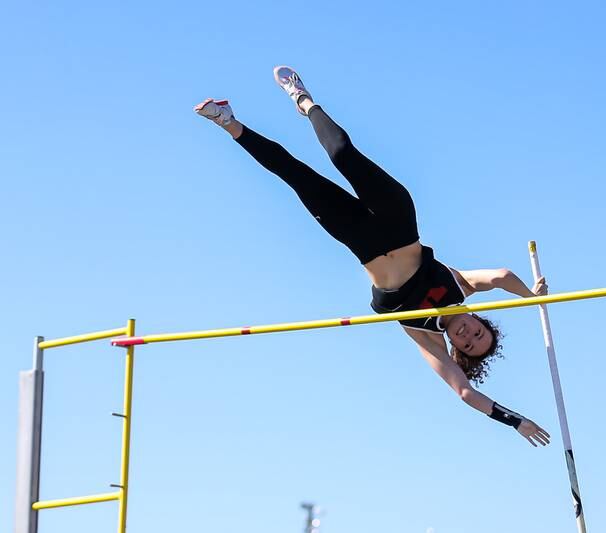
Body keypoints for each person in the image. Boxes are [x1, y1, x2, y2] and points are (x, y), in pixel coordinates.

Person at [195, 66, 550, 447]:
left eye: (467, 344)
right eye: (477, 331)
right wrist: (533, 298)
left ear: (458, 351)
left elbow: (464, 393)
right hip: (398, 219)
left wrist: (514, 421)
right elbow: (500, 275)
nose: (467, 335)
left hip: (359, 239)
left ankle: (228, 122)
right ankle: (304, 100)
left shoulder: (428, 338)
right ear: (479, 318)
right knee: (343, 154)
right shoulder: (462, 286)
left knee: (295, 175)